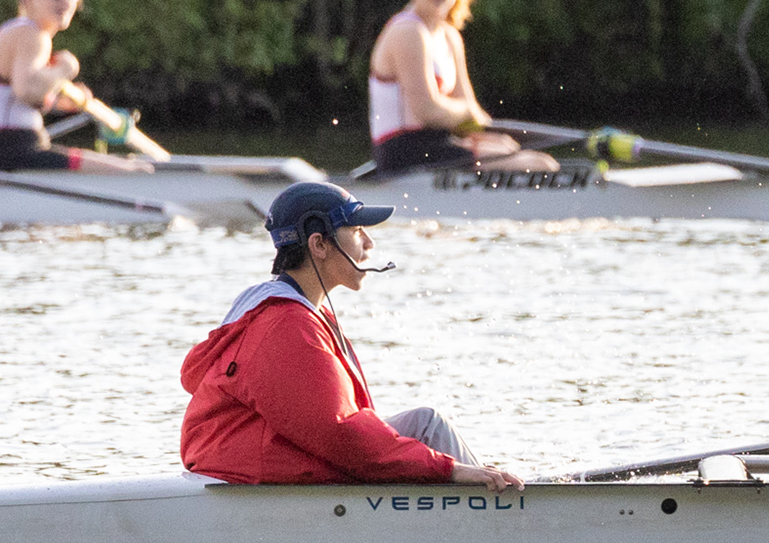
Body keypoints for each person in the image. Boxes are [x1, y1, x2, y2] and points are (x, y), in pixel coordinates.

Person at [180, 180, 523, 490]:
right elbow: (341, 434)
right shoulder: (287, 327)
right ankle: (505, 506)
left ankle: (497, 490)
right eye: (358, 230)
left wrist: (443, 467)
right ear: (319, 244)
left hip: (268, 459)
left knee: (426, 423)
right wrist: (448, 470)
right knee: (441, 453)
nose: (370, 242)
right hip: (254, 473)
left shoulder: (295, 309)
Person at [366, 0, 555, 174]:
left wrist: (490, 135)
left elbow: (470, 109)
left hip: (436, 145)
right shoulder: (408, 31)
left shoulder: (450, 37)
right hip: (402, 152)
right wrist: (466, 114)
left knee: (521, 153)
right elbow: (428, 112)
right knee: (539, 167)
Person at [0, 0, 149, 173]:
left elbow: (14, 98)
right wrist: (64, 69)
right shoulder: (32, 36)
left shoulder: (17, 32)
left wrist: (56, 101)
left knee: (111, 164)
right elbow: (26, 90)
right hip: (12, 152)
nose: (65, 0)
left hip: (15, 148)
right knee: (129, 171)